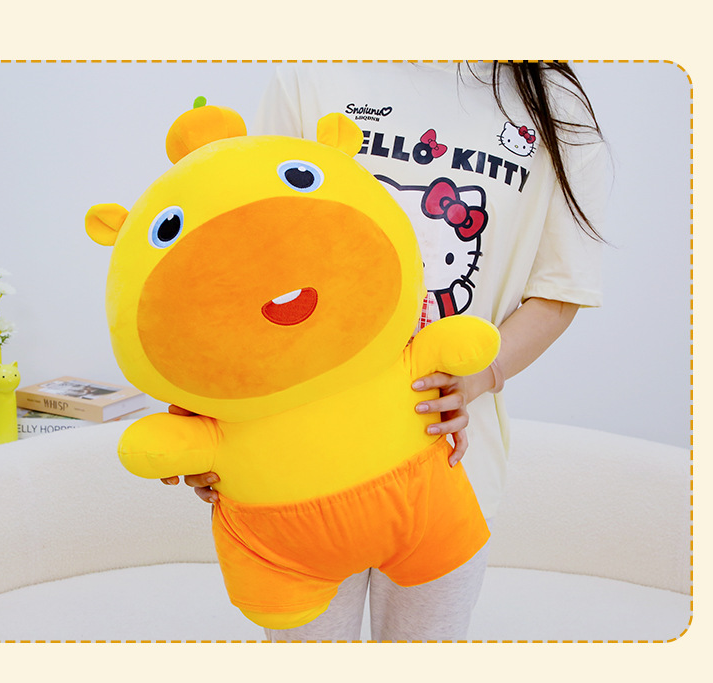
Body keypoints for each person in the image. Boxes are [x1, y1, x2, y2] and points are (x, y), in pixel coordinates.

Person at [162, 61, 607, 642]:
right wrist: (208, 417)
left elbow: (558, 292)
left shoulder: (557, 109)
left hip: (449, 463)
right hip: (296, 459)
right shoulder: (315, 76)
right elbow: (248, 248)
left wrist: (478, 377)